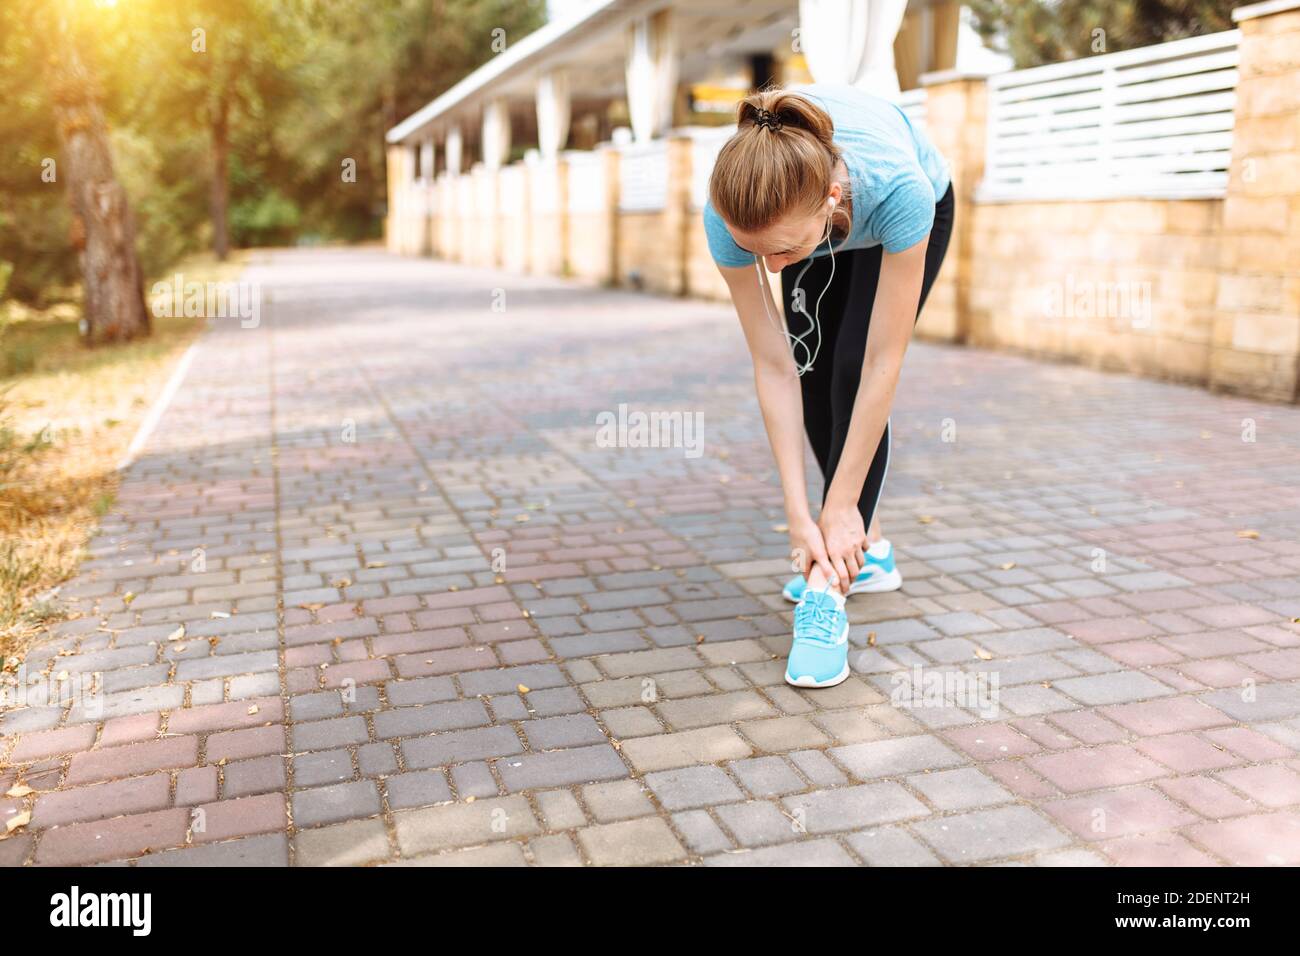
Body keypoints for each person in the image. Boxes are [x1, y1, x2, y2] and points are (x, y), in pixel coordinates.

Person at [702, 82, 954, 688]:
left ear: (831, 201)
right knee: (809, 365)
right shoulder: (734, 217)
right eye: (752, 251)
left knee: (846, 369)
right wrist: (798, 514)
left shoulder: (900, 192)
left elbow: (880, 366)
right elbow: (773, 367)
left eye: (781, 251)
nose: (770, 268)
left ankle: (828, 590)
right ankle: (867, 552)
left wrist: (837, 506)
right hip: (810, 219)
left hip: (899, 208)